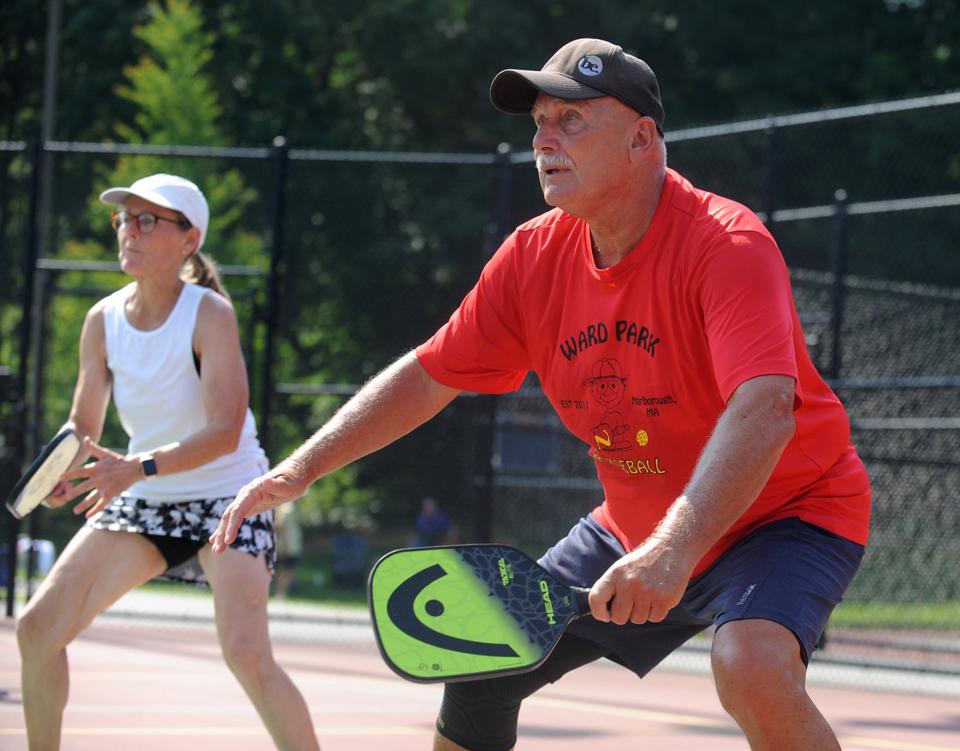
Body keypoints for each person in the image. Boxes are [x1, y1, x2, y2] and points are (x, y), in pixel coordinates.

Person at [211, 38, 871, 751]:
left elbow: (766, 407)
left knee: (749, 663)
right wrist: (301, 468)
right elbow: (430, 373)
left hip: (787, 513)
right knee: (482, 652)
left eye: (572, 121)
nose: (544, 140)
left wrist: (675, 548)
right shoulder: (533, 257)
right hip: (637, 526)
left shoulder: (725, 244)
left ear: (642, 139)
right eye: (539, 123)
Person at [15, 174, 321, 751]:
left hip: (229, 498)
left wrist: (135, 468)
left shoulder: (210, 314)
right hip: (146, 499)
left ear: (188, 240)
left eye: (146, 220)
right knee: (37, 631)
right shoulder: (101, 321)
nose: (129, 230)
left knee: (247, 655)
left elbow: (226, 431)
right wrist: (63, 470)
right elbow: (83, 426)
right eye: (124, 219)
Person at [273, 501, 304, 597]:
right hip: (288, 544)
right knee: (288, 569)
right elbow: (281, 525)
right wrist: (285, 542)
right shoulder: (288, 507)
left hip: (286, 543)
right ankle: (281, 592)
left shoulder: (283, 506)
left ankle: (280, 591)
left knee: (284, 568)